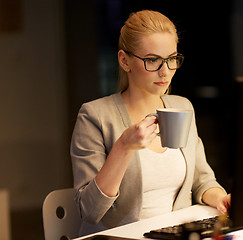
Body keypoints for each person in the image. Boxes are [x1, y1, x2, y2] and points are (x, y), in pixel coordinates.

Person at [71, 9, 231, 236]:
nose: (165, 71)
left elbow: (202, 181)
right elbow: (89, 211)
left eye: (172, 59)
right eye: (152, 60)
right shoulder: (94, 116)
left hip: (172, 234)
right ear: (124, 60)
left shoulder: (182, 107)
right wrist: (123, 146)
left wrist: (222, 199)